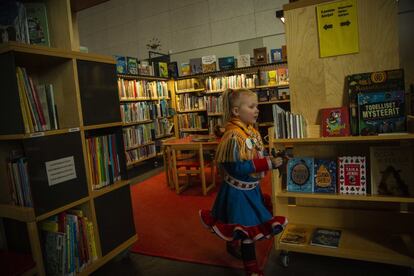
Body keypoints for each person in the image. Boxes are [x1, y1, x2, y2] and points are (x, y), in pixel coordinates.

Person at [200, 88, 287, 276]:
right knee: (247, 230)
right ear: (236, 111)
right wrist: (267, 163)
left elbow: (255, 153)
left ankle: (231, 244)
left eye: (257, 106)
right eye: (252, 106)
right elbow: (237, 168)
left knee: (236, 222)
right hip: (238, 192)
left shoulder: (251, 131)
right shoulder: (233, 136)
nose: (257, 110)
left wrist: (269, 157)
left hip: (251, 189)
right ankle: (252, 269)